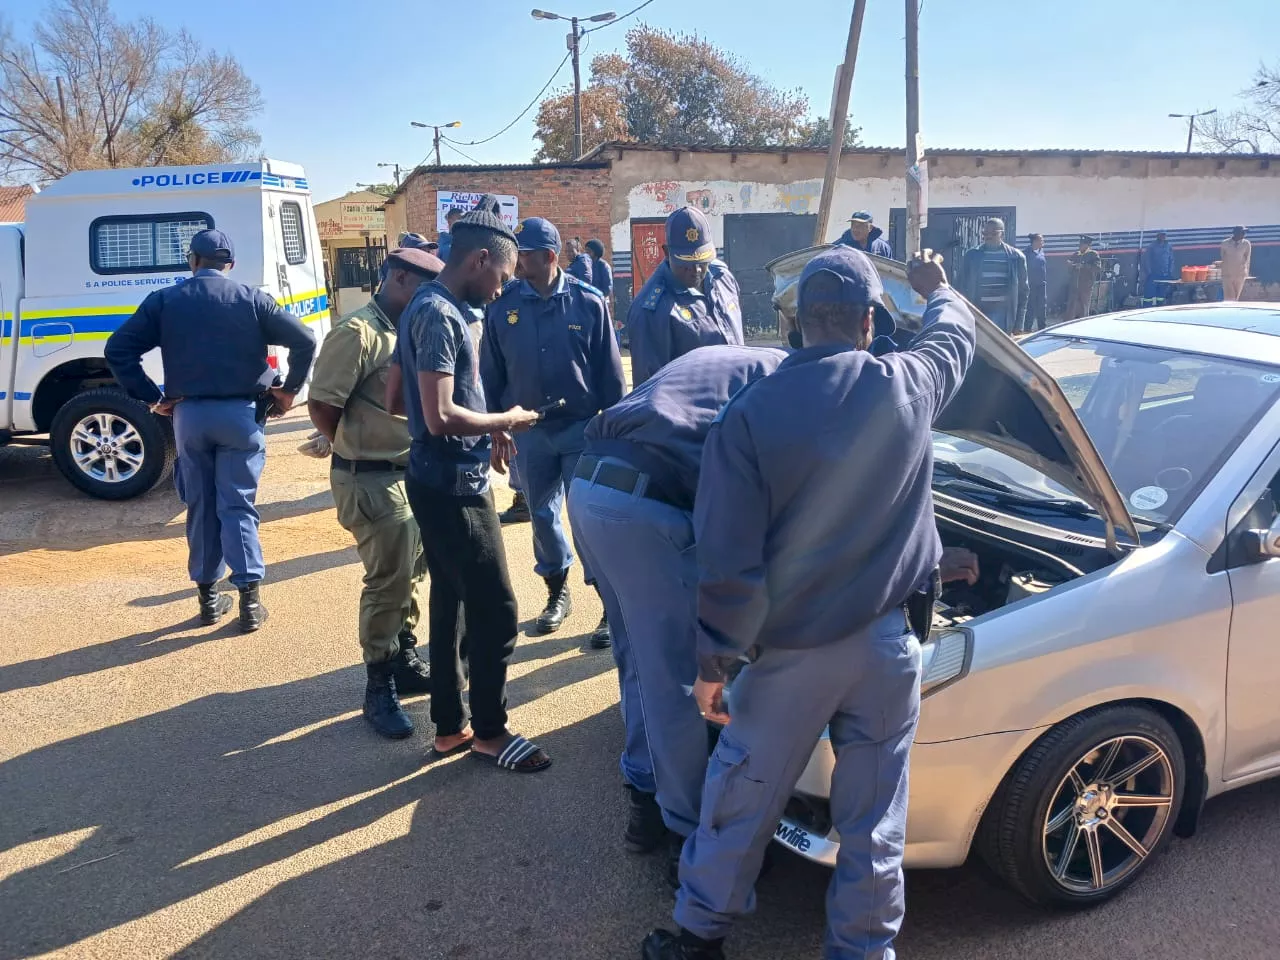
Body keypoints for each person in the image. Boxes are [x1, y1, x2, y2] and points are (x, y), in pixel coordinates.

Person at [642, 246, 975, 960]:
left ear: (795, 328)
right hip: (889, 648)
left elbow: (728, 559)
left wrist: (714, 662)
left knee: (742, 794)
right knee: (877, 817)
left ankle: (699, 938)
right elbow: (955, 336)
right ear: (866, 324)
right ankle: (861, 951)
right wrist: (938, 288)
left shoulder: (750, 415)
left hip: (789, 658)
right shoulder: (908, 383)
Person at [569, 344, 787, 870]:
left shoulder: (733, 358)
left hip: (588, 489)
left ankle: (644, 796)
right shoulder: (786, 382)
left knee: (637, 660)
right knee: (678, 681)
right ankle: (685, 835)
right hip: (645, 510)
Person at [385, 208, 552, 773]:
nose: (503, 287)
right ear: (480, 259)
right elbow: (436, 415)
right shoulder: (440, 315)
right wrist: (504, 417)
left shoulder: (424, 306)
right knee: (498, 611)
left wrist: (487, 426)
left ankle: (450, 727)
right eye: (502, 276)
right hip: (454, 486)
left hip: (440, 475)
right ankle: (489, 731)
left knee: (451, 601)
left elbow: (396, 399)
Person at [105, 229, 315, 631]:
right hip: (241, 416)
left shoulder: (165, 301)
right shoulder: (253, 299)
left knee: (200, 505)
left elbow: (118, 349)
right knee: (237, 505)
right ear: (229, 265)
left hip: (190, 418)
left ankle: (208, 600)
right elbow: (304, 340)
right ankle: (250, 604)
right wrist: (288, 392)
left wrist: (153, 397)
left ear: (192, 261)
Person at [307, 246, 443, 740]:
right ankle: (377, 684)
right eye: (427, 286)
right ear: (402, 280)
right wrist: (355, 443)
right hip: (370, 477)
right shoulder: (358, 332)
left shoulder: (407, 328)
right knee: (387, 581)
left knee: (410, 573)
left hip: (408, 472)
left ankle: (403, 657)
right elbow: (323, 407)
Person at [481, 217, 625, 646]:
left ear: (547, 256)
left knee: (589, 519)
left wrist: (613, 436)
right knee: (542, 517)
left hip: (582, 430)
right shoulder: (502, 305)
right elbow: (491, 373)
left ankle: (608, 604)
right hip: (530, 433)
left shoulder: (588, 303)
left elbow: (612, 379)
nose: (515, 263)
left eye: (522, 255)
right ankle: (556, 592)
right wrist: (498, 427)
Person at [627, 207, 744, 385]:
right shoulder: (651, 310)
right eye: (686, 263)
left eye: (702, 261)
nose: (696, 270)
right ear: (667, 253)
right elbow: (650, 391)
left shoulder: (723, 278)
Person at [958, 218, 1028, 334]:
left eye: (993, 233)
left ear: (1002, 234)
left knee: (1000, 350)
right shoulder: (971, 256)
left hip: (1004, 315)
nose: (988, 237)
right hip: (977, 312)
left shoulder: (1016, 257)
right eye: (985, 234)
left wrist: (1019, 323)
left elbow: (1023, 293)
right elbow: (959, 287)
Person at [1065, 235, 1102, 320]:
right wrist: (1070, 265)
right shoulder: (1076, 254)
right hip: (1074, 286)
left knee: (1083, 306)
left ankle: (1083, 322)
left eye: (1082, 244)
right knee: (1071, 307)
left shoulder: (1093, 254)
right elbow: (1069, 271)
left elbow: (1097, 268)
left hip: (1085, 286)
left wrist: (1083, 266)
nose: (1080, 246)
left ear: (1088, 245)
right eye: (1080, 244)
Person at [1141, 231, 1177, 299]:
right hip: (1153, 275)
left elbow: (1171, 260)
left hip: (1164, 275)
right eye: (1161, 235)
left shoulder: (1168, 246)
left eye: (1164, 235)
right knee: (1149, 293)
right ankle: (1147, 307)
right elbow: (1147, 260)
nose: (1163, 237)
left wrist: (1170, 272)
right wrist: (1149, 272)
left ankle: (1160, 306)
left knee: (1161, 294)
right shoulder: (1151, 246)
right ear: (1157, 236)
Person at [1024, 233, 1048, 332]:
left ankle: (1042, 329)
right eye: (1041, 240)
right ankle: (1027, 329)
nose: (1043, 242)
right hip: (1031, 285)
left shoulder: (1042, 252)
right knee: (1031, 307)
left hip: (1042, 285)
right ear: (1035, 242)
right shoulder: (1026, 253)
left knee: (1042, 307)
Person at [1221, 225, 1252, 301]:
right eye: (1242, 232)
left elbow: (1247, 258)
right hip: (1227, 274)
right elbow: (1223, 257)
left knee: (1236, 296)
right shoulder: (1225, 243)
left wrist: (1246, 273)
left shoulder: (1246, 243)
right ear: (1236, 233)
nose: (1244, 234)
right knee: (1228, 296)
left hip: (1240, 274)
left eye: (1244, 233)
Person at [585, 238, 613, 305]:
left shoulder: (604, 266)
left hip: (601, 302)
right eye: (586, 252)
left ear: (596, 252)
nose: (586, 254)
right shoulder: (586, 265)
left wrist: (597, 297)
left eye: (589, 252)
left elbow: (607, 289)